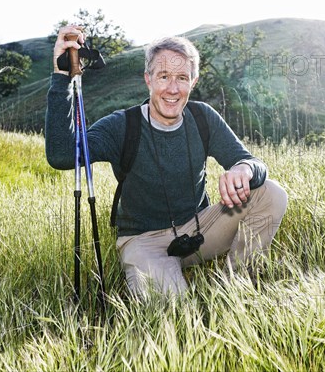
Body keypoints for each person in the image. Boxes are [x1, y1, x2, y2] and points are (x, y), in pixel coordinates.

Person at [45, 25, 288, 297]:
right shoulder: (121, 125)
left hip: (199, 230)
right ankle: (168, 285)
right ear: (148, 79)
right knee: (173, 315)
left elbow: (250, 161)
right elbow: (62, 155)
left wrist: (243, 169)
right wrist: (61, 77)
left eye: (182, 78)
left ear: (192, 82)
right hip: (143, 241)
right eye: (164, 76)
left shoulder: (202, 117)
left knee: (272, 194)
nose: (173, 89)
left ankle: (236, 288)